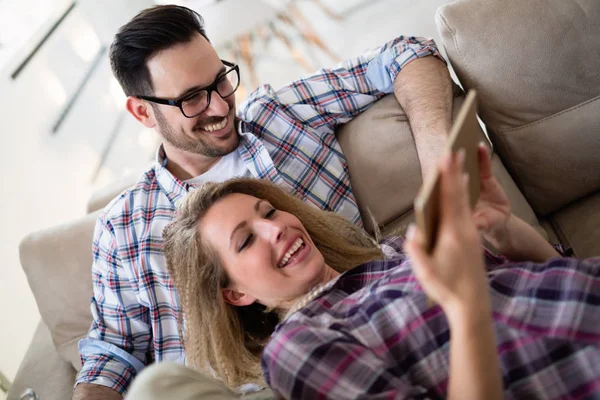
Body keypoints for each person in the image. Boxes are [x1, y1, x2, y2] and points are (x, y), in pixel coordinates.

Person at [73, 3, 455, 399]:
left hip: (356, 343)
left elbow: (407, 52)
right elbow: (113, 354)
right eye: (191, 99)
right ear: (142, 112)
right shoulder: (124, 226)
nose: (220, 106)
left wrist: (438, 170)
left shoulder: (281, 116)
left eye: (220, 80)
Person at [139, 144, 600, 400]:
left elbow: (555, 280)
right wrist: (465, 309)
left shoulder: (394, 254)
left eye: (270, 212)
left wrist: (502, 228)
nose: (275, 228)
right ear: (235, 294)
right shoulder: (298, 348)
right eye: (246, 240)